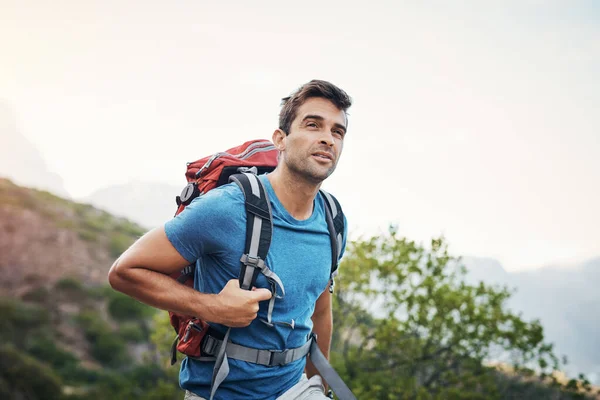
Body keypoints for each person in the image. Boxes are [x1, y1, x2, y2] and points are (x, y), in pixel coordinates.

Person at [108, 79, 352, 400]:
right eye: (312, 125)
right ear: (280, 139)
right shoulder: (227, 209)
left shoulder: (333, 220)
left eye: (337, 131)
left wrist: (318, 384)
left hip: (295, 390)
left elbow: (320, 308)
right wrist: (212, 307)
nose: (327, 138)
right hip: (221, 391)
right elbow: (125, 272)